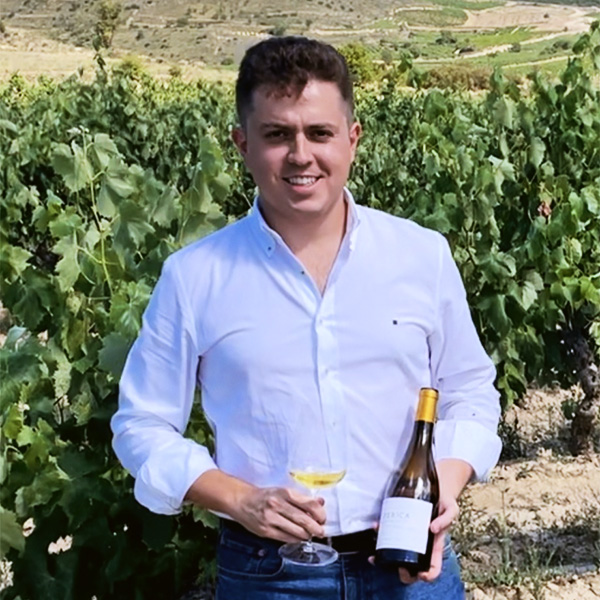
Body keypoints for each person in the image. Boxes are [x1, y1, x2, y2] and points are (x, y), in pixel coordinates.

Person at [111, 36, 502, 600]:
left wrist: (447, 483)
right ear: (243, 144)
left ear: (352, 139)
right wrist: (241, 500)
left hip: (409, 568)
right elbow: (142, 425)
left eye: (319, 133)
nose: (301, 155)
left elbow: (470, 390)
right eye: (277, 135)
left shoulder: (421, 256)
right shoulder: (194, 277)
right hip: (269, 575)